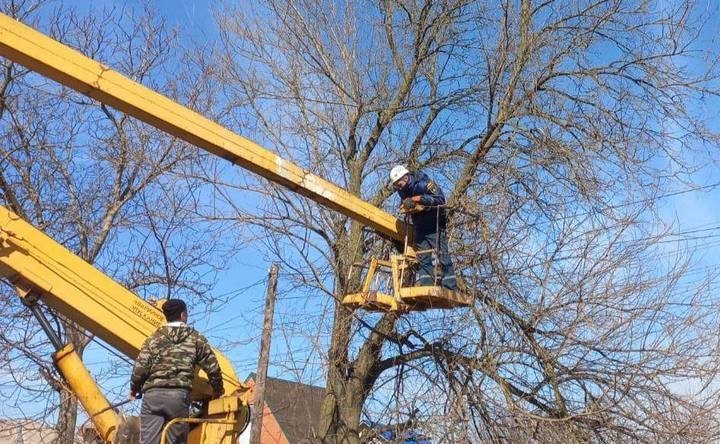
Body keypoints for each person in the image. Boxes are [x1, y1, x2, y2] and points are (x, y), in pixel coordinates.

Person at [129, 299, 224, 444]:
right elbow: (213, 367)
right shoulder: (195, 338)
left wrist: (134, 388)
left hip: (153, 396)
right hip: (178, 398)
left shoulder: (153, 339)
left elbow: (140, 367)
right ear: (183, 315)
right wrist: (217, 390)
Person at [390, 165, 457, 290]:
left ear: (405, 178)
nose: (398, 188)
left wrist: (420, 198)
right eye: (396, 185)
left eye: (399, 184)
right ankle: (426, 286)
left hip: (434, 224)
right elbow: (406, 202)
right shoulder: (401, 191)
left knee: (442, 255)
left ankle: (450, 287)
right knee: (423, 256)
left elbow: (441, 200)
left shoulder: (424, 183)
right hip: (419, 226)